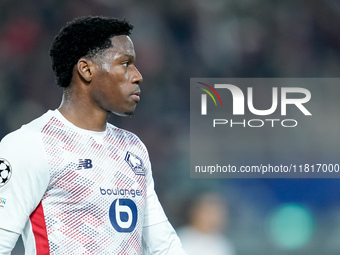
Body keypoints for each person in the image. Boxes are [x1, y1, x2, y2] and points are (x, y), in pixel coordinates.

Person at [0, 16, 187, 255]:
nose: (137, 75)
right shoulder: (30, 144)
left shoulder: (132, 148)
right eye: (125, 63)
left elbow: (165, 246)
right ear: (87, 70)